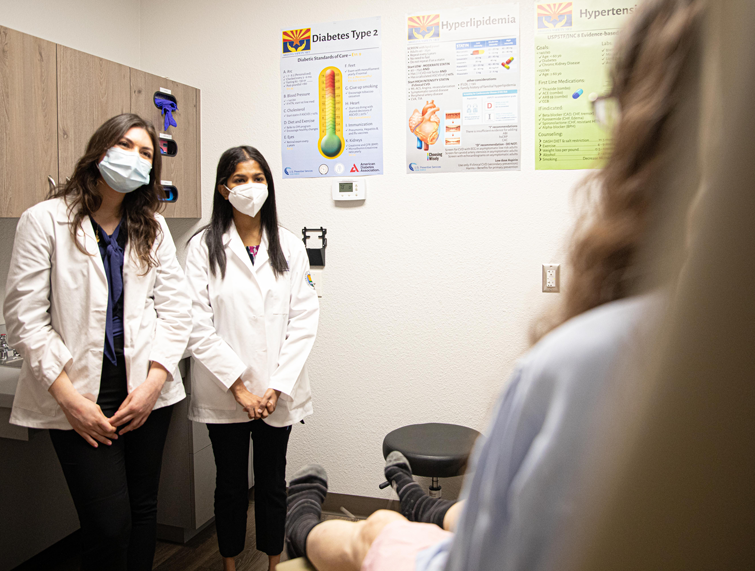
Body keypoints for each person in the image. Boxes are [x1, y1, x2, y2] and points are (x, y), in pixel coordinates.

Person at [282, 0, 705, 570]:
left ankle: (303, 519)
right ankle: (408, 495)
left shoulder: (585, 363)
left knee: (373, 532)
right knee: (455, 517)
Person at [4, 113, 192, 571]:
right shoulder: (44, 220)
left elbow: (177, 310)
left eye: (146, 153)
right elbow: (25, 317)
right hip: (81, 393)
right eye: (125, 146)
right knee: (108, 524)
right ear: (100, 151)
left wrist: (153, 386)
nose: (135, 158)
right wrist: (71, 401)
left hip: (147, 391)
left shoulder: (153, 226)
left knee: (144, 510)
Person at [185, 145, 320, 571]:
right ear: (224, 189)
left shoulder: (290, 246)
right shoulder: (202, 247)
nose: (251, 187)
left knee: (271, 483)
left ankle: (273, 563)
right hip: (226, 392)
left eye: (258, 178)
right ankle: (229, 565)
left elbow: (304, 319)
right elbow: (195, 323)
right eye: (240, 179)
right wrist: (240, 388)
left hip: (277, 391)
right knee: (228, 485)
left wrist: (276, 386)